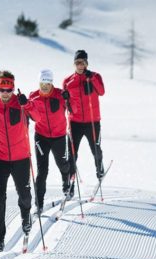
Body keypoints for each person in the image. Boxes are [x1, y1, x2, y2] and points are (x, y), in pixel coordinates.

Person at [0, 70, 32, 254]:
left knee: (24, 195)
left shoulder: (21, 104)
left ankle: (26, 216)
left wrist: (28, 104)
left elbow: (37, 116)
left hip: (21, 158)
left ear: (13, 87)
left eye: (9, 89)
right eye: (2, 89)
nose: (6, 93)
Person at [19, 69, 70, 216]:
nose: (45, 86)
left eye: (48, 83)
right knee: (42, 171)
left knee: (63, 164)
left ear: (52, 82)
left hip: (59, 136)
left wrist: (69, 99)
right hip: (41, 137)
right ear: (39, 82)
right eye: (43, 82)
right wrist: (24, 105)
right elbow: (28, 115)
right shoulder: (33, 96)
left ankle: (66, 183)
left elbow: (73, 110)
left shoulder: (60, 95)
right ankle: (39, 203)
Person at [62, 49, 106, 198]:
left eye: (83, 62)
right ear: (74, 64)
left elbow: (101, 91)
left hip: (93, 122)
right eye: (77, 63)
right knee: (72, 155)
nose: (80, 65)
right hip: (75, 122)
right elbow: (64, 103)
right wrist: (65, 98)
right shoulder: (68, 81)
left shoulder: (95, 76)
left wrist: (91, 79)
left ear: (87, 63)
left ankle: (99, 168)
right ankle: (71, 183)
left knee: (96, 150)